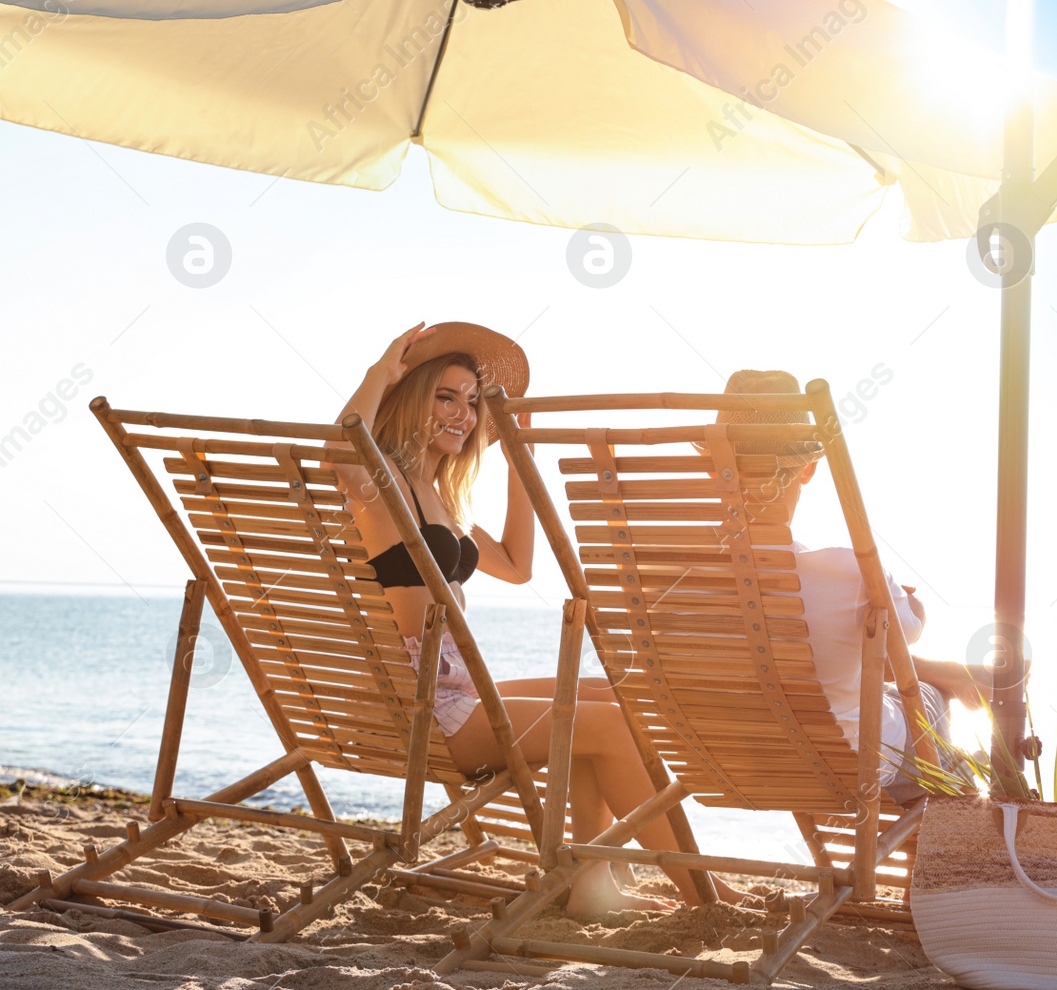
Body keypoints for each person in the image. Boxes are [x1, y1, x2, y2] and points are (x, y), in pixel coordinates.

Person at [334, 322, 741, 915]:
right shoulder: (384, 485)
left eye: (471, 402)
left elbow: (519, 566)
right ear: (409, 396)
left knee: (607, 693)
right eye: (445, 396)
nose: (463, 414)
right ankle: (700, 892)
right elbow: (343, 454)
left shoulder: (436, 497)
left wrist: (517, 456)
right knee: (608, 728)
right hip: (424, 705)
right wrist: (380, 373)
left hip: (448, 690)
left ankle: (592, 881)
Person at [708, 370, 993, 802]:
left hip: (730, 757)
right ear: (807, 468)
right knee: (926, 699)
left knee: (850, 660)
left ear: (717, 468)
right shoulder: (847, 572)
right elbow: (907, 629)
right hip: (843, 763)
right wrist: (906, 606)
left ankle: (945, 680)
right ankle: (948, 844)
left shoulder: (676, 572)